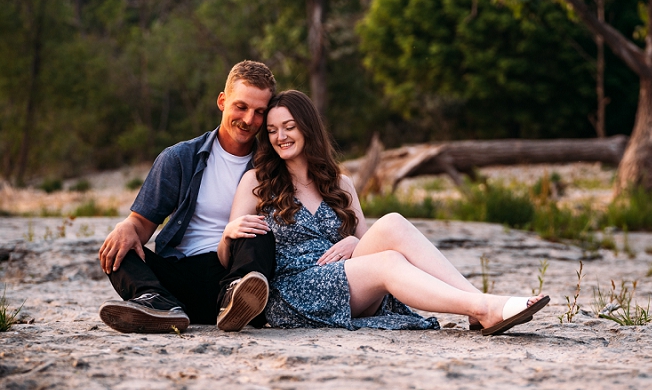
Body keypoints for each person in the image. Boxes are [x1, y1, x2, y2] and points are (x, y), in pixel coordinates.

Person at [218, 90, 549, 335]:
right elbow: (228, 260)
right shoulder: (257, 181)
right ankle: (481, 307)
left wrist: (352, 244)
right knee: (389, 263)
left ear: (307, 127)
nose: (280, 137)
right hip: (296, 291)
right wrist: (228, 232)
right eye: (273, 130)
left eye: (288, 126)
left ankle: (479, 306)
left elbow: (371, 242)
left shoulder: (340, 182)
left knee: (391, 222)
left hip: (349, 280)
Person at [97, 61, 278, 334]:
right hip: (179, 277)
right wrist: (126, 227)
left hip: (234, 279)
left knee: (257, 231)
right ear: (222, 101)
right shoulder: (180, 158)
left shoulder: (272, 166)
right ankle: (158, 303)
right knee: (117, 249)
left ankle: (237, 302)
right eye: (241, 107)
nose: (249, 120)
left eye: (259, 112)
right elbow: (141, 225)